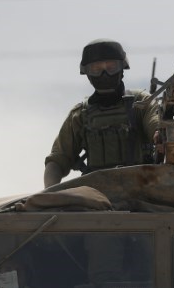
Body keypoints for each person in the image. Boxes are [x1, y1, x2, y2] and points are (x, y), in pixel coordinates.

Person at [43, 40, 162, 187]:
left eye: (111, 67)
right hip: (95, 194)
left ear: (121, 68)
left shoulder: (141, 103)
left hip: (141, 190)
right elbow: (57, 160)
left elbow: (155, 123)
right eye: (96, 69)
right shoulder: (80, 115)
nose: (104, 74)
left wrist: (159, 134)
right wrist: (48, 193)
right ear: (87, 73)